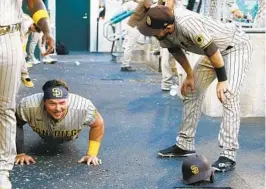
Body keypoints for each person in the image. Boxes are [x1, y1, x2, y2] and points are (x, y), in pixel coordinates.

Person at [138, 5, 252, 172]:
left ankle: (228, 154)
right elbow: (175, 50)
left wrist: (222, 80)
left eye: (154, 30)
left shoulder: (187, 22)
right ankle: (185, 144)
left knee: (228, 94)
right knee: (192, 90)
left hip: (234, 46)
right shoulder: (163, 32)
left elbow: (212, 50)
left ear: (168, 27)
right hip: (213, 53)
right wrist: (190, 75)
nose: (152, 34)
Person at [0, 0, 54, 188]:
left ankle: (2, 170)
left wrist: (46, 30)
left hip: (8, 38)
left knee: (5, 108)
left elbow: (33, 2)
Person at [15, 79, 105, 166]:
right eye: (52, 104)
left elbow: (98, 124)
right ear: (44, 101)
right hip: (44, 133)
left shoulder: (83, 106)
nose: (58, 109)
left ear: (68, 100)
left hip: (70, 135)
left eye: (62, 103)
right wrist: (20, 153)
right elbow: (15, 123)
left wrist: (92, 154)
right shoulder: (28, 105)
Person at [20, 13, 42, 88]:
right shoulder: (25, 25)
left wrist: (24, 51)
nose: (33, 31)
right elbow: (21, 38)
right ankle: (24, 75)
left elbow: (24, 39)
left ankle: (24, 74)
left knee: (22, 54)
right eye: (34, 30)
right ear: (34, 25)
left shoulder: (30, 26)